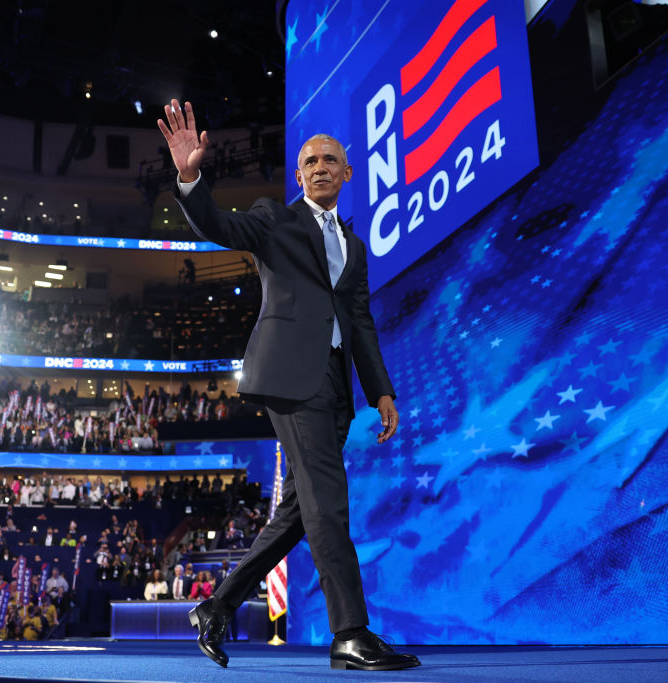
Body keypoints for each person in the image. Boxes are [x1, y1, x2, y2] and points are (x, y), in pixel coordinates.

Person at [157, 99, 418, 672]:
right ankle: (350, 633)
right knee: (329, 502)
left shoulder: (352, 245)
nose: (320, 167)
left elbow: (360, 320)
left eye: (330, 160)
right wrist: (190, 177)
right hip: (289, 378)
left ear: (347, 173)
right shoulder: (275, 218)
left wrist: (381, 391)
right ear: (298, 176)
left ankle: (217, 605)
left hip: (334, 383)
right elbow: (219, 225)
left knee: (302, 510)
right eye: (310, 162)